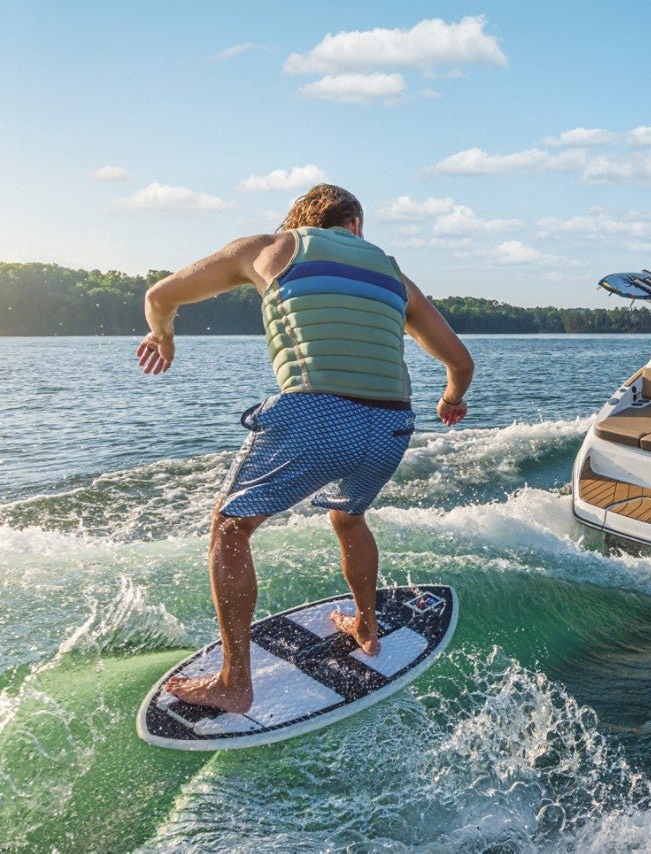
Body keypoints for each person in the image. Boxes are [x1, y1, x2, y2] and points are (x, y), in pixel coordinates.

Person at [136, 184, 474, 714]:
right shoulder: (391, 273)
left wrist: (163, 335)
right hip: (390, 425)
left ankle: (234, 682)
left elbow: (160, 296)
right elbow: (461, 362)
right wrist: (452, 400)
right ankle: (366, 623)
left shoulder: (270, 248)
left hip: (316, 412)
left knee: (230, 528)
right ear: (355, 225)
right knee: (349, 516)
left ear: (297, 222)